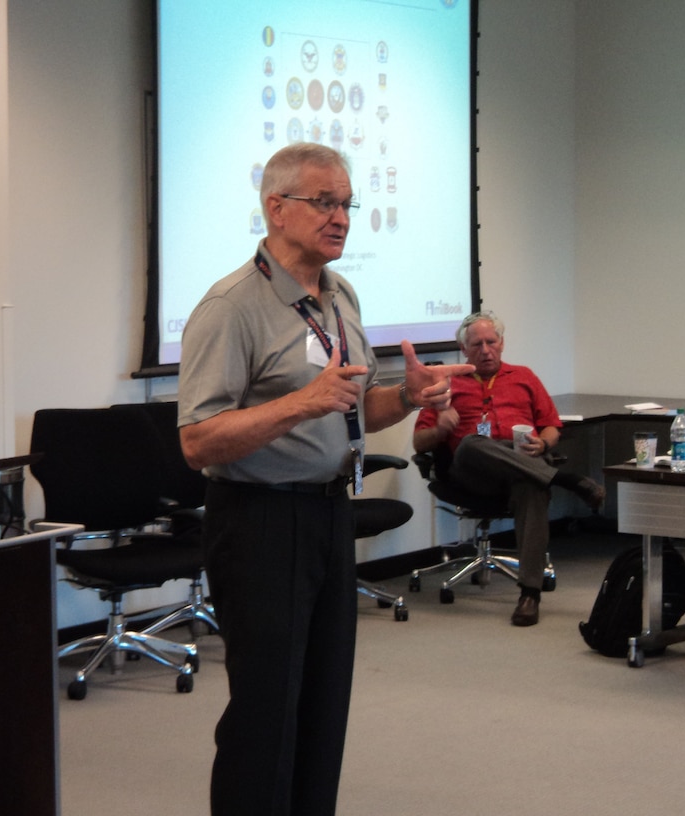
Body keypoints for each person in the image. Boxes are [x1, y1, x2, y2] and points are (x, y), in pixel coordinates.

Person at [177, 143, 473, 816]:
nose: (341, 218)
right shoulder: (231, 306)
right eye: (324, 203)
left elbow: (353, 403)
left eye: (347, 204)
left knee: (322, 701)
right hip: (258, 520)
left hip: (329, 513)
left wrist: (406, 398)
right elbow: (197, 441)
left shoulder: (340, 295)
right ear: (276, 209)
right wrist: (300, 403)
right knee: (266, 710)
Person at [412, 310, 606, 627]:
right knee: (473, 444)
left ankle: (530, 594)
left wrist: (542, 445)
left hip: (524, 465)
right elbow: (419, 442)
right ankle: (569, 481)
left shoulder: (524, 376)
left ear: (502, 344)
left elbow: (551, 427)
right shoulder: (447, 385)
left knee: (532, 487)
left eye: (491, 342)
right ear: (464, 350)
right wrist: (442, 430)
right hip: (473, 474)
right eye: (476, 344)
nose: (485, 350)